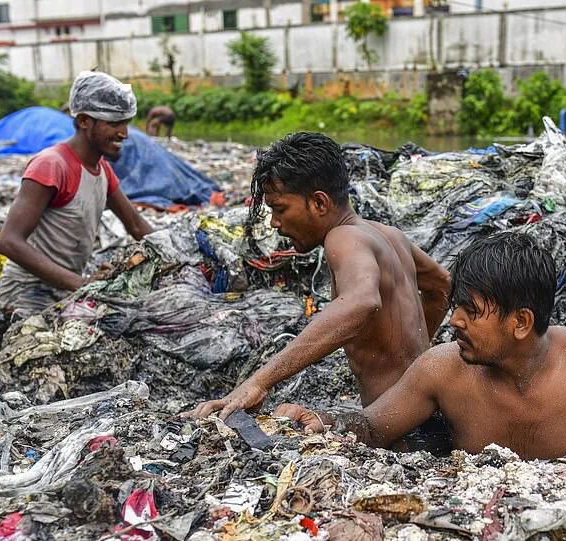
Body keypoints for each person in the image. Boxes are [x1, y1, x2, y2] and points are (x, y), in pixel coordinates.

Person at [275, 232, 566, 460]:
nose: (454, 321)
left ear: (520, 322)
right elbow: (375, 428)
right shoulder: (443, 369)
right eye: (456, 306)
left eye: (472, 311)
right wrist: (325, 421)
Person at [186, 132, 451, 420]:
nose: (274, 222)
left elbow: (362, 301)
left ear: (319, 203)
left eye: (280, 209)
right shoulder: (389, 235)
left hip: (399, 426)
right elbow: (442, 285)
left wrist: (259, 381)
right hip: (424, 413)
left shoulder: (343, 237)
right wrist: (416, 360)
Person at [0, 71, 153, 316]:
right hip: (28, 293)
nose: (124, 133)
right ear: (83, 121)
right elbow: (9, 242)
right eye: (113, 123)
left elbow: (136, 226)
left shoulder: (102, 171)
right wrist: (82, 284)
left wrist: (180, 253)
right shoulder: (51, 165)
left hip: (65, 288)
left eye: (125, 122)